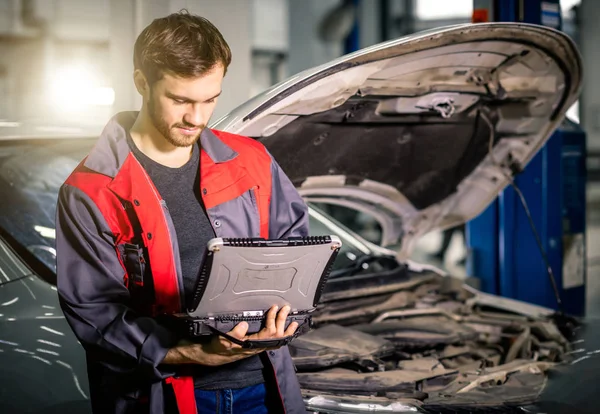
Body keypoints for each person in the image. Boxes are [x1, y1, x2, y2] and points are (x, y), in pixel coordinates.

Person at [55, 11, 309, 414]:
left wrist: (286, 313)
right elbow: (95, 314)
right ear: (142, 82)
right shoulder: (92, 190)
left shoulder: (252, 161)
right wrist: (191, 353)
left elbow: (294, 252)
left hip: (265, 385)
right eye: (181, 100)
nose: (197, 118)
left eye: (210, 100)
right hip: (164, 396)